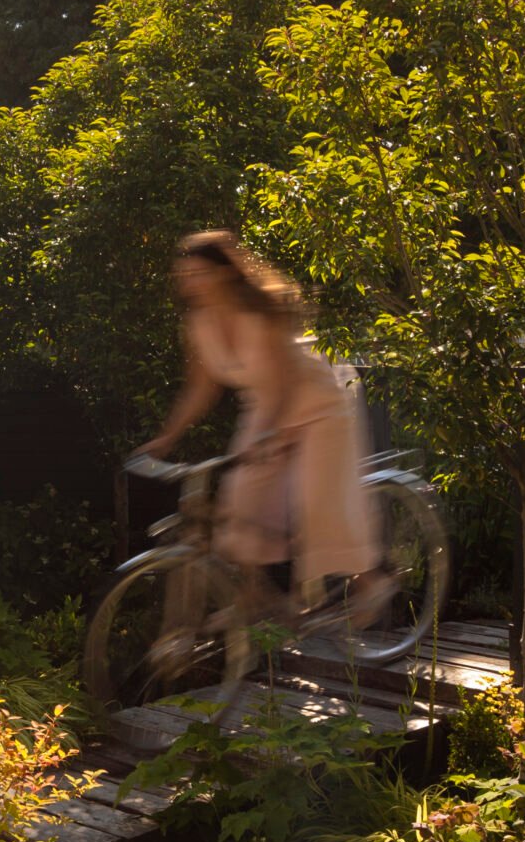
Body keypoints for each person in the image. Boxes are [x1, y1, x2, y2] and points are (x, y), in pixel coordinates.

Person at [137, 231, 380, 611]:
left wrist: (271, 434)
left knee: (316, 503)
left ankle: (369, 583)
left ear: (224, 273)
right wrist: (167, 438)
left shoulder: (259, 312)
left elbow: (285, 382)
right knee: (241, 497)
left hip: (318, 402)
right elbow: (200, 388)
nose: (190, 283)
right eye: (184, 276)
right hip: (267, 408)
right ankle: (256, 597)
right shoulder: (199, 324)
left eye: (198, 274)